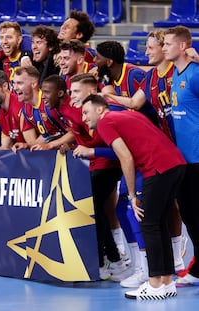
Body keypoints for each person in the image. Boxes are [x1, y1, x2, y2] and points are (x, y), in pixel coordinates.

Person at [81, 94, 186, 300]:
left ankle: (155, 283)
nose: (84, 118)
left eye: (86, 112)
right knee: (158, 223)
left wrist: (131, 195)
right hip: (176, 165)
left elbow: (125, 158)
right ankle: (166, 281)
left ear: (100, 109)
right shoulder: (127, 115)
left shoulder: (106, 123)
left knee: (148, 224)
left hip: (158, 168)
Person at [68, 73, 131, 282]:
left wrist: (91, 152)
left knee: (97, 208)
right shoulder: (79, 112)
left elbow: (121, 152)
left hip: (116, 165)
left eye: (76, 91)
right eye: (71, 91)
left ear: (92, 93)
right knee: (94, 208)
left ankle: (112, 261)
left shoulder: (109, 117)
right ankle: (108, 261)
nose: (72, 95)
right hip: (101, 164)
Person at [163, 25, 199, 286]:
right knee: (189, 213)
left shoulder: (196, 74)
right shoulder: (176, 73)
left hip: (198, 156)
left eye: (167, 43)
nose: (164, 48)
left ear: (183, 46)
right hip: (182, 158)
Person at [0, 69, 25, 149]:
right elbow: (5, 147)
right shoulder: (1, 112)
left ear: (5, 86)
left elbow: (33, 145)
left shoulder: (20, 106)